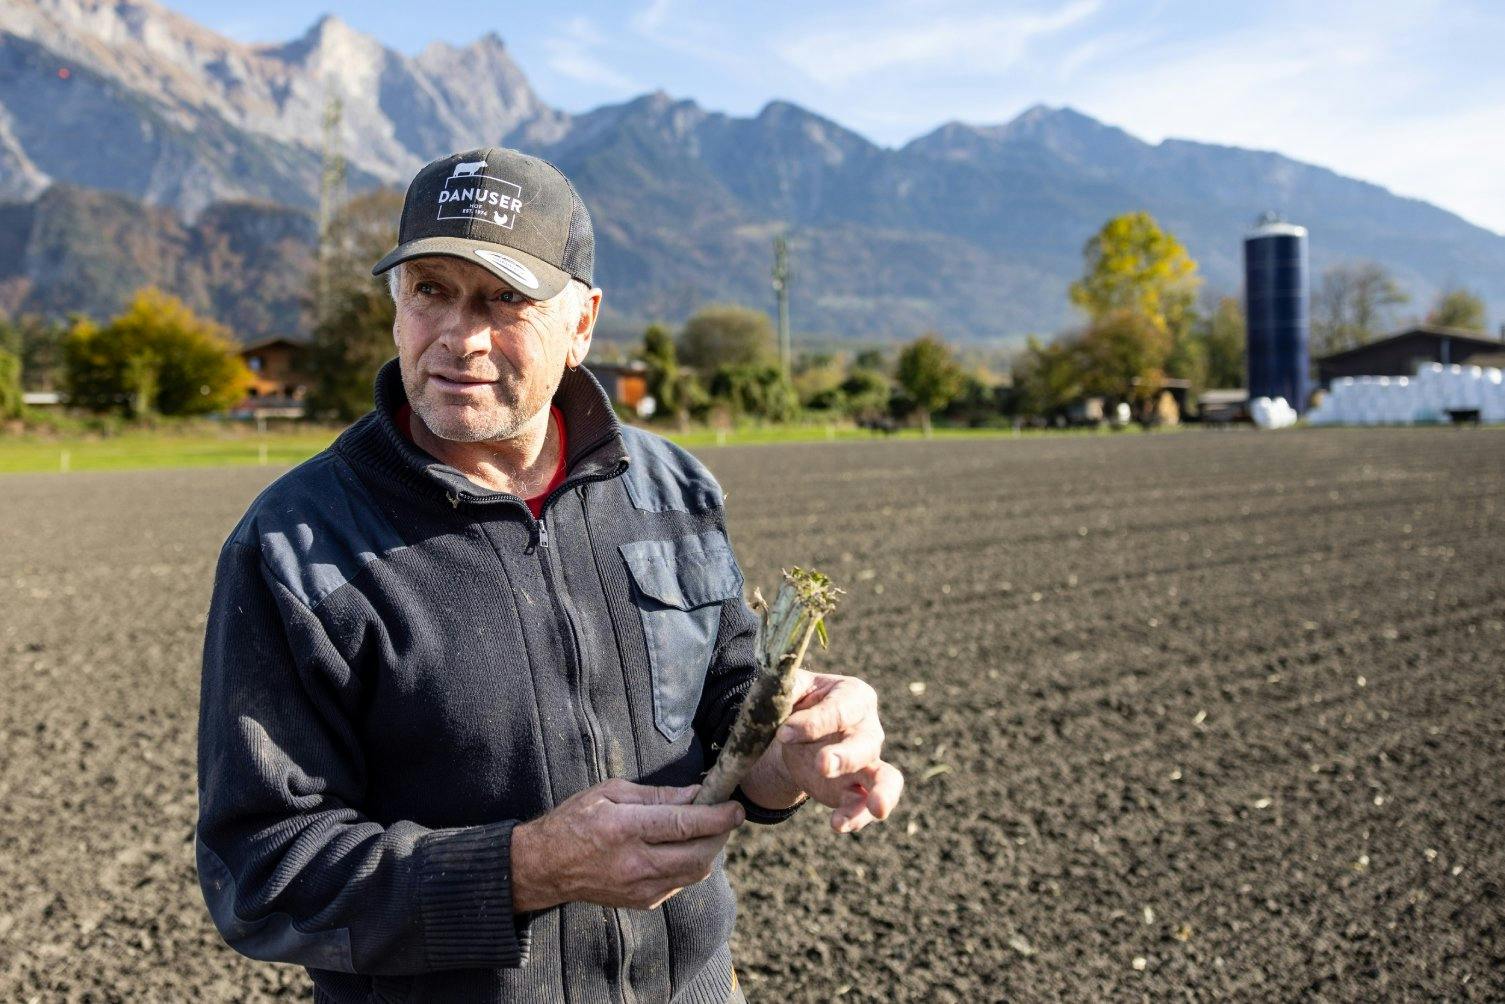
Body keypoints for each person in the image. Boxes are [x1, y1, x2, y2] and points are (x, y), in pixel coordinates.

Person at [195, 147, 904, 1003]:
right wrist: (526, 867)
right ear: (396, 308)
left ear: (582, 323)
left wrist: (791, 754)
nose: (460, 336)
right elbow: (261, 869)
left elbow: (730, 714)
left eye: (505, 298)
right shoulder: (296, 546)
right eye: (430, 290)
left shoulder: (670, 490)